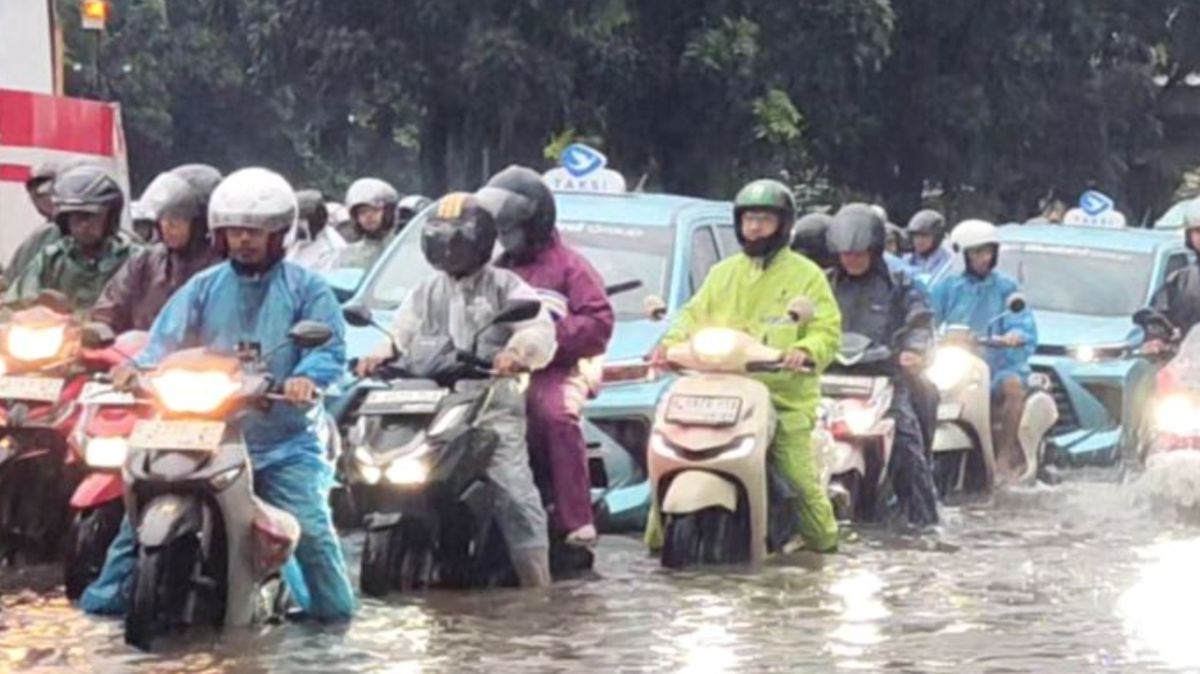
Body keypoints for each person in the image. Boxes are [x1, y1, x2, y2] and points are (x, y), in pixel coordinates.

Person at [80, 167, 356, 621]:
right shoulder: (203, 287)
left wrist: (305, 379)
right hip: (201, 433)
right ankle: (101, 612)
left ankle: (333, 623)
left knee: (312, 530)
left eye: (255, 232)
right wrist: (136, 370)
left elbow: (327, 352)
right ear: (219, 234)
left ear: (278, 234)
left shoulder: (308, 290)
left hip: (281, 441)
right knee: (133, 524)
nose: (244, 241)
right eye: (234, 232)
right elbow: (162, 344)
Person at [356, 192, 556, 586]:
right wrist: (378, 355)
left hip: (489, 406)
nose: (448, 248)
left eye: (457, 239)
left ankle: (538, 583)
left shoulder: (506, 286)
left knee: (514, 492)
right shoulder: (425, 291)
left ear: (481, 241)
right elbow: (401, 333)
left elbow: (538, 328)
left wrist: (516, 352)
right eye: (440, 239)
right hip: (431, 404)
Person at [647, 179, 841, 553]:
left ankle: (824, 550)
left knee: (798, 479)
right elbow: (692, 315)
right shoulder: (723, 273)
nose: (754, 228)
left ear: (782, 225)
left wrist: (805, 349)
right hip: (716, 391)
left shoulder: (807, 275)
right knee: (666, 456)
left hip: (782, 395)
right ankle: (658, 542)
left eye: (763, 220)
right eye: (749, 219)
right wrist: (668, 345)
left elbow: (827, 329)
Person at [478, 165, 614, 548]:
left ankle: (577, 519)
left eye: (511, 230)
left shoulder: (571, 267)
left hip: (558, 370)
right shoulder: (493, 269)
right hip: (496, 372)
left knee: (556, 416)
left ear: (535, 223)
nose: (505, 239)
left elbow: (598, 322)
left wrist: (544, 344)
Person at [826, 205, 938, 527]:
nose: (852, 260)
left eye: (859, 253)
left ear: (875, 249)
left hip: (884, 380)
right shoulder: (823, 283)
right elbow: (799, 319)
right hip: (826, 379)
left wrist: (913, 351)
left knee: (908, 446)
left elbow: (920, 320)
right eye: (846, 254)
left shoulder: (901, 281)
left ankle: (924, 523)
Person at [932, 219, 1037, 480]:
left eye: (988, 252)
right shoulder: (946, 287)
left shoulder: (1006, 287)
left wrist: (1015, 335)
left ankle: (1004, 456)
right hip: (956, 362)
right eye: (977, 252)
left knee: (1013, 388)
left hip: (997, 363)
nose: (984, 258)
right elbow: (926, 317)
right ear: (961, 255)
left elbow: (1022, 320)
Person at [90, 168, 223, 333]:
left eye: (177, 219)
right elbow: (111, 305)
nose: (167, 226)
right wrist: (99, 327)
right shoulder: (144, 261)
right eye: (163, 218)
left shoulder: (222, 269)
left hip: (196, 356)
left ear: (201, 222)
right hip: (138, 355)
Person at [6, 163, 135, 310]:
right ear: (64, 220)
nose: (83, 225)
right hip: (57, 330)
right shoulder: (51, 257)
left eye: (91, 216)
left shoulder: (135, 260)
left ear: (109, 217)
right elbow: (16, 300)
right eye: (76, 217)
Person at [1146, 199, 1200, 350]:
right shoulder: (1181, 280)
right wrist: (1156, 338)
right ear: (1189, 236)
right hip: (1190, 365)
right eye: (1198, 231)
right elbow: (1159, 315)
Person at [7, 161, 64, 283]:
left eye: (44, 188)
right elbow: (12, 279)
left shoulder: (83, 232)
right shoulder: (39, 236)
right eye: (33, 192)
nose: (39, 196)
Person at [335, 177, 399, 270]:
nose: (368, 216)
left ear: (389, 211)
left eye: (375, 210)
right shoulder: (349, 255)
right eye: (362, 212)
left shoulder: (402, 246)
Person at [286, 189, 347, 272]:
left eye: (301, 218)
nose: (296, 224)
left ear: (315, 219)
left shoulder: (332, 248)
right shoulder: (295, 240)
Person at [905, 209, 952, 278]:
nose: (919, 241)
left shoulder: (948, 262)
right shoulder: (908, 260)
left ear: (937, 237)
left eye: (924, 236)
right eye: (916, 236)